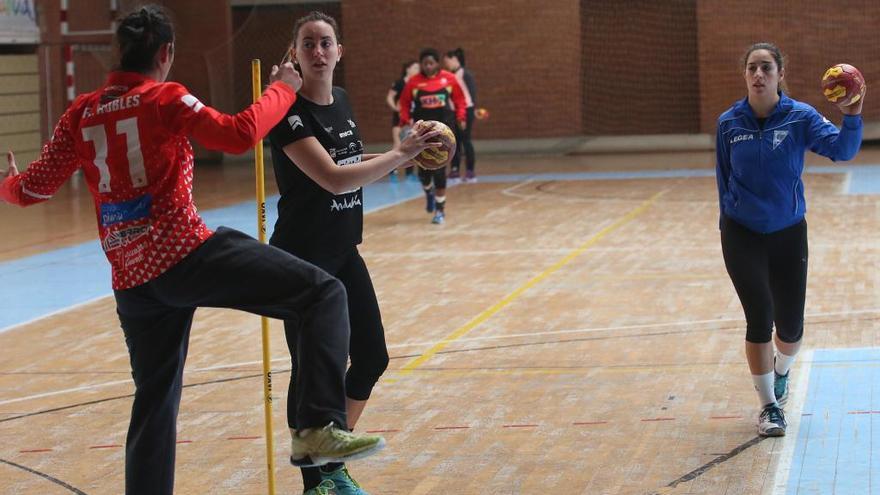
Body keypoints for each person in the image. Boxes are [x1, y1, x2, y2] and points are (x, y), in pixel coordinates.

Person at [0, 5, 385, 494]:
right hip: (186, 254)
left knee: (155, 403)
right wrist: (282, 89)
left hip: (132, 283)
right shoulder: (166, 98)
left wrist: (8, 184)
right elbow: (240, 133)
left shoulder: (81, 112)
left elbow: (33, 190)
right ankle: (316, 427)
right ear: (167, 53)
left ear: (118, 52)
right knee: (324, 294)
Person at [267, 12, 442, 495]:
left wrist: (405, 153)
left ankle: (329, 458)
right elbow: (332, 177)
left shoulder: (340, 101)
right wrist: (401, 154)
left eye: (326, 43)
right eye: (308, 44)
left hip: (343, 250)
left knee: (371, 356)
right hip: (302, 261)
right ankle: (317, 481)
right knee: (311, 371)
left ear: (339, 51)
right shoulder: (286, 113)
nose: (318, 52)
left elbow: (349, 164)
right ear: (295, 55)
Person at [715, 42, 865, 437]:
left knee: (791, 328)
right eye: (752, 68)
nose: (758, 74)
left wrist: (852, 116)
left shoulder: (800, 117)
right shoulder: (729, 123)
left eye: (766, 67)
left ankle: (782, 369)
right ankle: (768, 407)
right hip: (741, 233)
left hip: (788, 233)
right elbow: (723, 177)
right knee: (759, 316)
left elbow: (843, 151)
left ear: (781, 74)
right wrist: (726, 225)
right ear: (745, 75)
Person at [398, 47, 467, 225]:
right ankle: (428, 191)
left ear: (437, 63)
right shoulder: (414, 82)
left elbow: (460, 100)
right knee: (424, 171)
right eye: (425, 63)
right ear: (421, 64)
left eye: (431, 63)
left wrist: (461, 117)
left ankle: (440, 210)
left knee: (439, 169)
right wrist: (404, 120)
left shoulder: (449, 79)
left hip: (444, 131)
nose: (428, 66)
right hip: (422, 131)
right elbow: (404, 103)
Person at [443, 48, 478, 183]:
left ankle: (470, 171)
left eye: (447, 61)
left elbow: (471, 94)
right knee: (454, 141)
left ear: (454, 59)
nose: (446, 65)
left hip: (466, 111)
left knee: (466, 140)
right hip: (454, 112)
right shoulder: (449, 75)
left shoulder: (465, 74)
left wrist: (469, 112)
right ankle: (455, 170)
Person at [386, 60, 420, 182]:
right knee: (397, 142)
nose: (418, 70)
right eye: (416, 68)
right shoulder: (400, 83)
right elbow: (390, 97)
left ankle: (410, 172)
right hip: (399, 118)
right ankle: (391, 169)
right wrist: (395, 108)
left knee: (411, 144)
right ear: (408, 69)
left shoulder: (416, 83)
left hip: (412, 118)